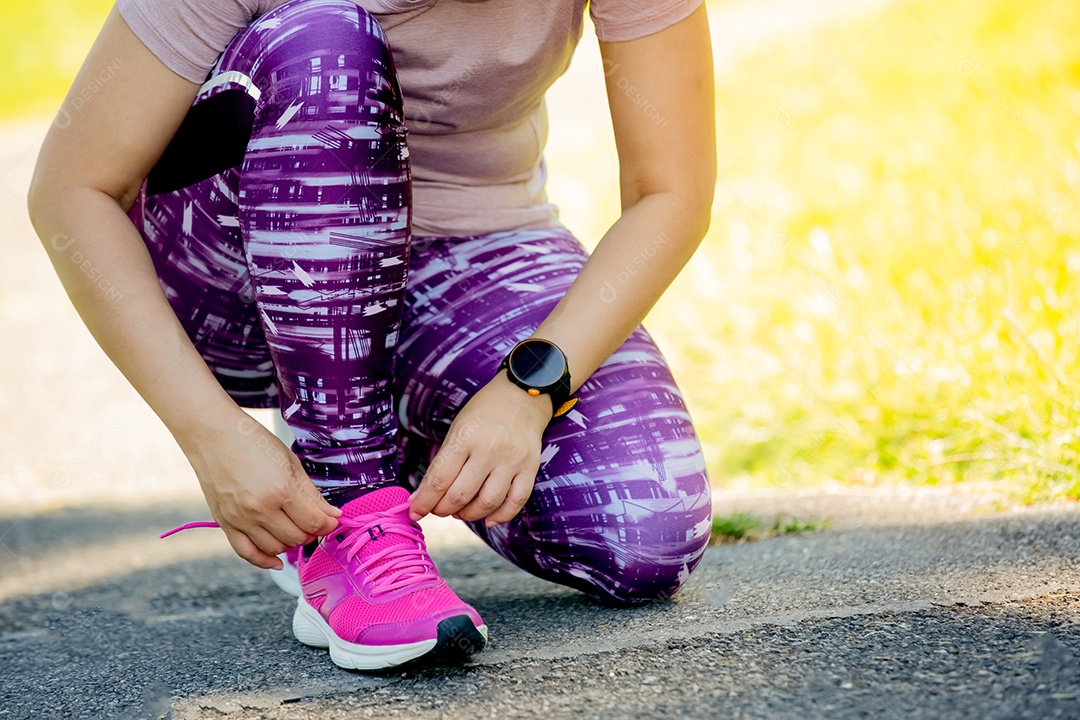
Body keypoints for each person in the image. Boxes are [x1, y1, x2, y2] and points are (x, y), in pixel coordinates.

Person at [28, 0, 717, 671]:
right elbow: (73, 189)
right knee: (325, 36)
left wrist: (526, 392)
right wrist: (212, 436)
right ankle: (346, 504)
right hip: (248, 269)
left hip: (476, 245)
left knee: (643, 529)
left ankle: (386, 432)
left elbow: (670, 191)